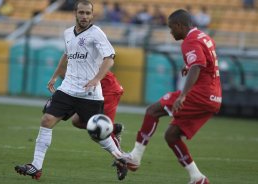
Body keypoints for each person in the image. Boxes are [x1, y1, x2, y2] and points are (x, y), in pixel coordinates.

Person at [14, 0, 127, 181]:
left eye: (87, 13)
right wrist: (54, 76)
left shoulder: (96, 33)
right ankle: (35, 166)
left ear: (92, 15)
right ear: (75, 13)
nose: (84, 16)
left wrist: (96, 79)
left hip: (89, 93)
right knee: (47, 119)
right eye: (81, 13)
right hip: (67, 89)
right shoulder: (68, 33)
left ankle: (120, 158)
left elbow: (110, 58)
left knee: (96, 132)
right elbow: (67, 55)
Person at [122, 9, 222, 184]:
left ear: (179, 26)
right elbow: (205, 61)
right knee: (171, 135)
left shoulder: (189, 41)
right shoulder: (203, 36)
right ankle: (197, 177)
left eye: (171, 28)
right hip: (214, 97)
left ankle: (135, 157)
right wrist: (188, 65)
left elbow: (198, 66)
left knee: (152, 111)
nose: (170, 32)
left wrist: (183, 95)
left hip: (200, 94)